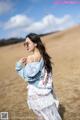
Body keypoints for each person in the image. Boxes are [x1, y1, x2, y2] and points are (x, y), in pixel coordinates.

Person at [15, 33, 62, 120]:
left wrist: (18, 66)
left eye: (28, 43)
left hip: (36, 93)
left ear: (35, 43)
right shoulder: (44, 55)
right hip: (46, 91)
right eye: (24, 44)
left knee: (41, 117)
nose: (26, 46)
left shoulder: (31, 58)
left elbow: (28, 77)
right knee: (50, 116)